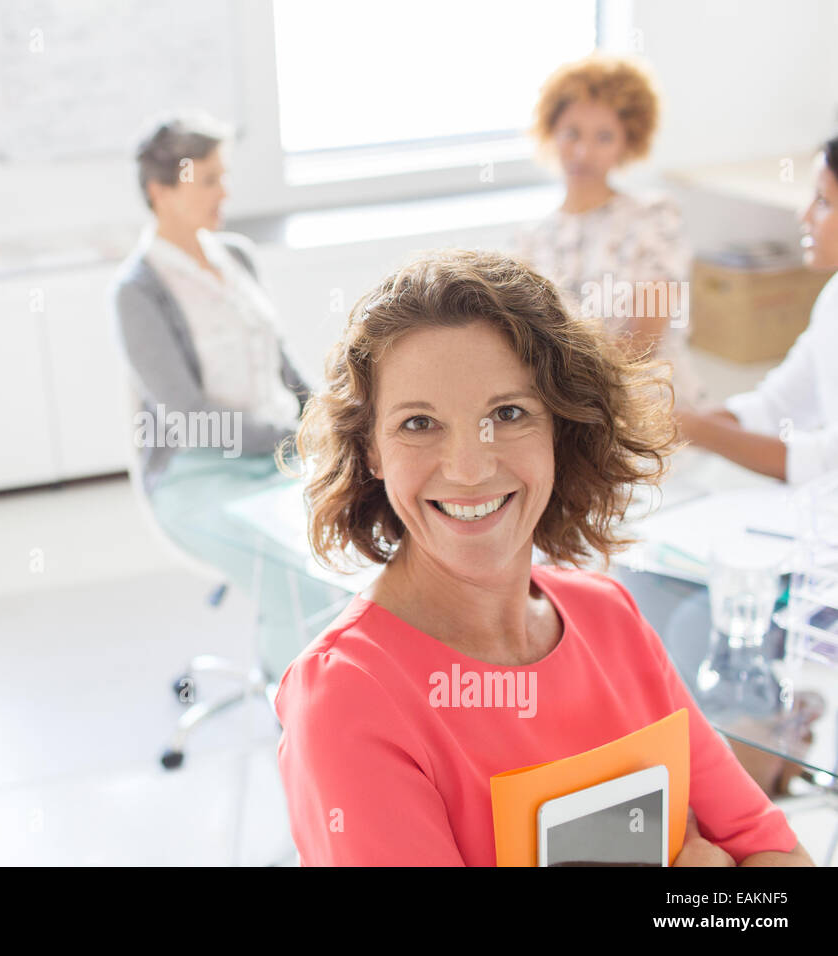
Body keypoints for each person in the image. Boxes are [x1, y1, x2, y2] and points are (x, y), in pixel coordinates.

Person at [273, 249, 813, 866]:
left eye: (507, 414)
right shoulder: (347, 699)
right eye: (419, 424)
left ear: (561, 427)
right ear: (370, 451)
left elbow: (775, 854)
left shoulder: (608, 617)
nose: (469, 468)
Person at [109, 111, 347, 678]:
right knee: (298, 573)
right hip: (199, 475)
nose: (225, 192)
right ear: (160, 192)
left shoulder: (235, 256)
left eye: (224, 176)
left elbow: (281, 363)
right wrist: (295, 436)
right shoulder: (138, 291)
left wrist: (332, 416)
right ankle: (298, 715)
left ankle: (354, 691)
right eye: (209, 180)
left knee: (363, 538)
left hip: (282, 455)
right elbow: (191, 422)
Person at [515, 54, 707, 407]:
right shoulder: (531, 240)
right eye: (572, 133)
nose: (584, 151)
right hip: (567, 406)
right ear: (552, 131)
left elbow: (643, 342)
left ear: (626, 142)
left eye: (603, 137)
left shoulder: (653, 217)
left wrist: (574, 398)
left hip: (647, 404)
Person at [674, 135, 838, 485]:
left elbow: (828, 463)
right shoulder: (833, 297)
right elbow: (778, 406)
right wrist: (671, 424)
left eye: (823, 202)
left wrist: (700, 430)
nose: (804, 214)